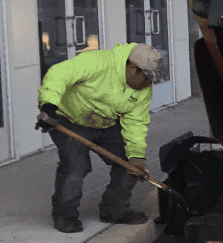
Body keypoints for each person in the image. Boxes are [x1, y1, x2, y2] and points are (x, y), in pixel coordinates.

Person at [37, 42, 167, 232]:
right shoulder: (98, 63)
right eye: (147, 77)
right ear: (132, 68)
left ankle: (114, 210)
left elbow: (136, 122)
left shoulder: (142, 90)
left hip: (105, 123)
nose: (149, 83)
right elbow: (59, 74)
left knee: (128, 165)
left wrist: (136, 156)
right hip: (69, 119)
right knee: (76, 166)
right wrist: (48, 105)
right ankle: (64, 215)